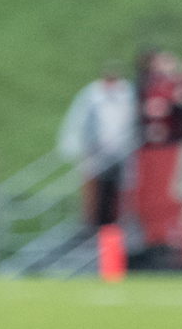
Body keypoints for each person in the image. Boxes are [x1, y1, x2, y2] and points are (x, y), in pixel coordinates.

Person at [58, 64, 139, 229]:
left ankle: (113, 227)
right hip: (96, 153)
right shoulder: (93, 96)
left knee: (115, 192)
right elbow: (83, 123)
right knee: (97, 191)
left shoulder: (126, 96)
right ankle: (95, 227)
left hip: (120, 154)